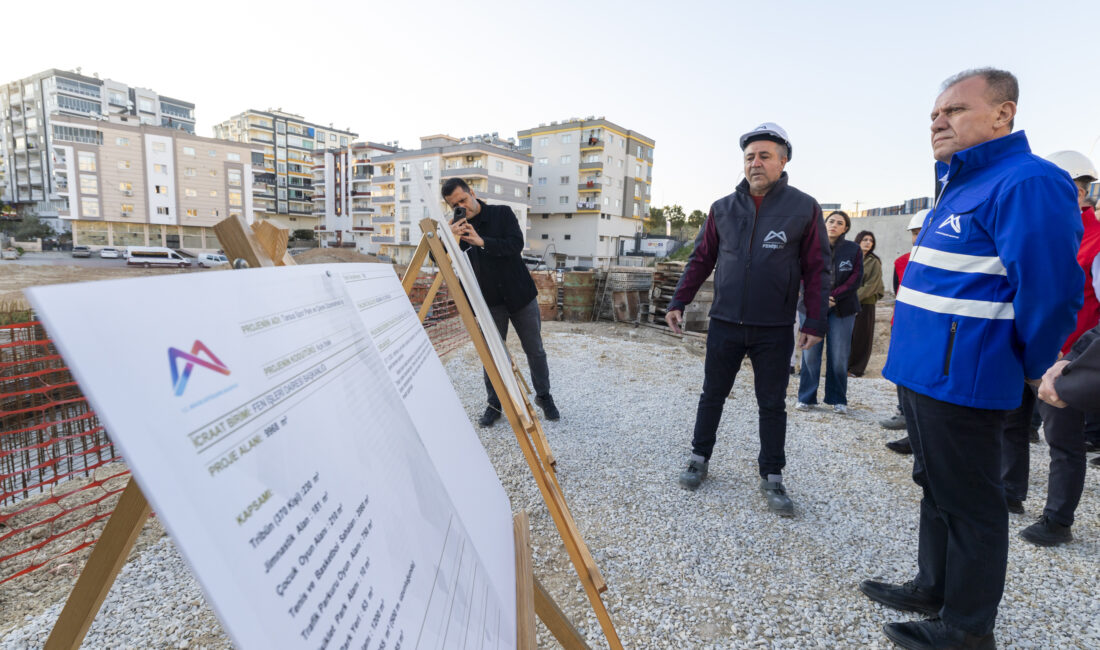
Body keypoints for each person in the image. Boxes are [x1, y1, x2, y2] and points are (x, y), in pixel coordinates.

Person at [859, 68, 1083, 650]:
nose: (939, 121)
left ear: (1003, 114)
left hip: (966, 374)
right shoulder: (958, 184)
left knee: (972, 502)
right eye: (935, 113)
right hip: (924, 371)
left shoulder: (1028, 181)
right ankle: (932, 587)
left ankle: (967, 627)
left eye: (955, 110)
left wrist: (1032, 365)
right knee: (936, 485)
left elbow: (1052, 291)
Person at [667, 122, 830, 518]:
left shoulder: (803, 208)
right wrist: (679, 299)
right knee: (712, 395)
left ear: (783, 160)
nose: (755, 163)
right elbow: (701, 258)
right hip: (724, 322)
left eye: (764, 156)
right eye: (749, 157)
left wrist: (814, 322)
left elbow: (818, 269)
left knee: (772, 403)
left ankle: (772, 475)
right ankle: (698, 459)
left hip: (773, 328)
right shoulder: (723, 208)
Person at [1004, 150, 1100, 546]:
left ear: (1079, 191)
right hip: (1026, 345)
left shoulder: (1095, 240)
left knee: (1063, 440)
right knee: (1012, 424)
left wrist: (1078, 362)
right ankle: (1009, 493)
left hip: (1065, 356)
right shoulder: (1041, 231)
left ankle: (1058, 519)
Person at [442, 178, 560, 426]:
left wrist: (482, 242)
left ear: (472, 192)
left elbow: (515, 245)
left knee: (535, 350)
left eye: (463, 200)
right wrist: (450, 237)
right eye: (455, 205)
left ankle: (544, 396)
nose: (461, 206)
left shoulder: (502, 214)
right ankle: (494, 404)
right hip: (487, 302)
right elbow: (437, 258)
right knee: (493, 355)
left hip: (519, 295)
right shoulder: (454, 227)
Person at [796, 211, 862, 414]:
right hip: (811, 306)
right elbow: (801, 275)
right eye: (831, 221)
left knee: (839, 355)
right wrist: (820, 297)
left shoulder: (853, 249)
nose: (834, 225)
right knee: (810, 354)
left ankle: (838, 399)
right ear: (824, 224)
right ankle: (806, 397)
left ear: (846, 228)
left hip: (843, 308)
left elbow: (855, 278)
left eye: (839, 222)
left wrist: (833, 297)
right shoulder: (809, 246)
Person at [879, 210, 928, 453]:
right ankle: (906, 418)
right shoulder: (901, 262)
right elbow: (899, 293)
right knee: (903, 375)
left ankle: (919, 435)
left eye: (922, 232)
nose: (918, 237)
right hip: (905, 326)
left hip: (932, 330)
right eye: (915, 233)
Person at [848, 229, 884, 377]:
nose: (868, 243)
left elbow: (872, 285)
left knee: (862, 337)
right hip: (847, 302)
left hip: (866, 303)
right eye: (865, 240)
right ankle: (843, 366)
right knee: (848, 336)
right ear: (858, 240)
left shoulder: (874, 262)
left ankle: (857, 369)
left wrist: (851, 297)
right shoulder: (850, 257)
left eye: (871, 241)